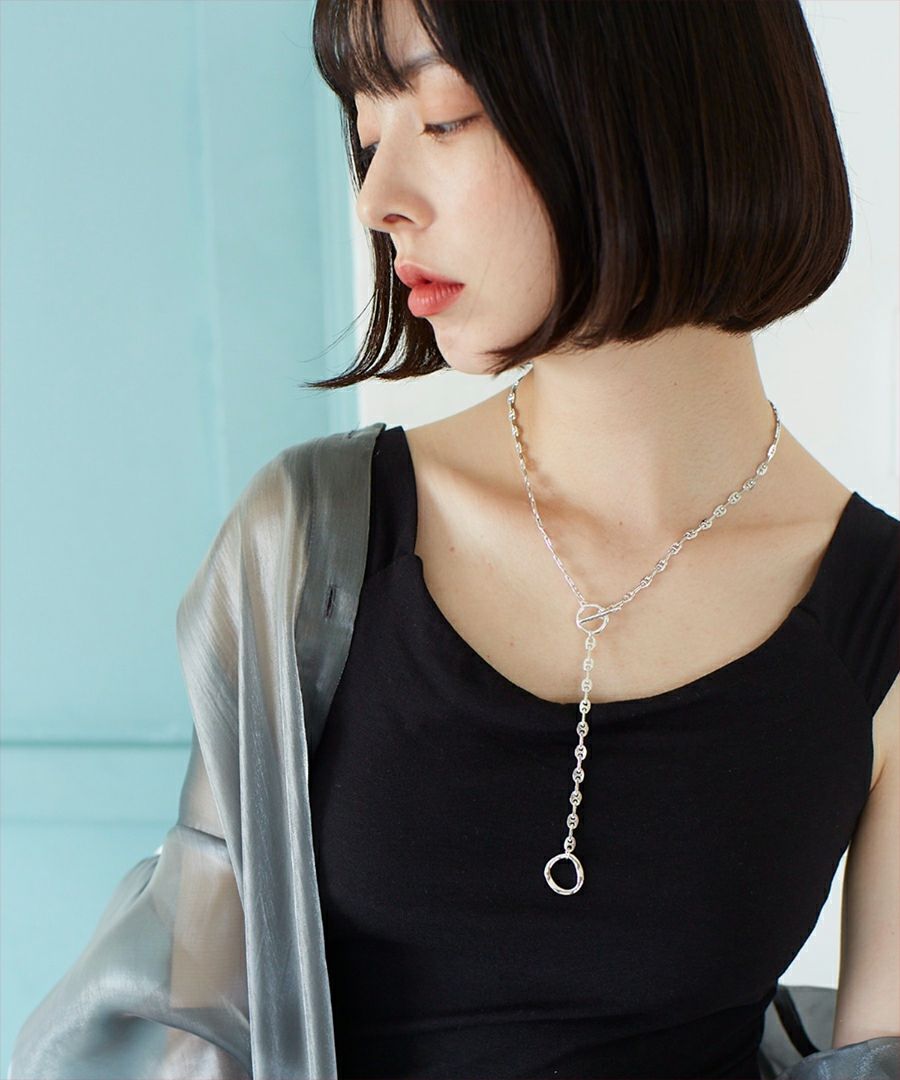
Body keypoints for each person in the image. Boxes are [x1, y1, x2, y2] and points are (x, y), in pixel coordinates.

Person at [8, 2, 899, 1079]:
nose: (376, 198)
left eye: (444, 117)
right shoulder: (311, 545)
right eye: (366, 132)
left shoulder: (881, 620)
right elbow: (194, 1023)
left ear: (656, 106)